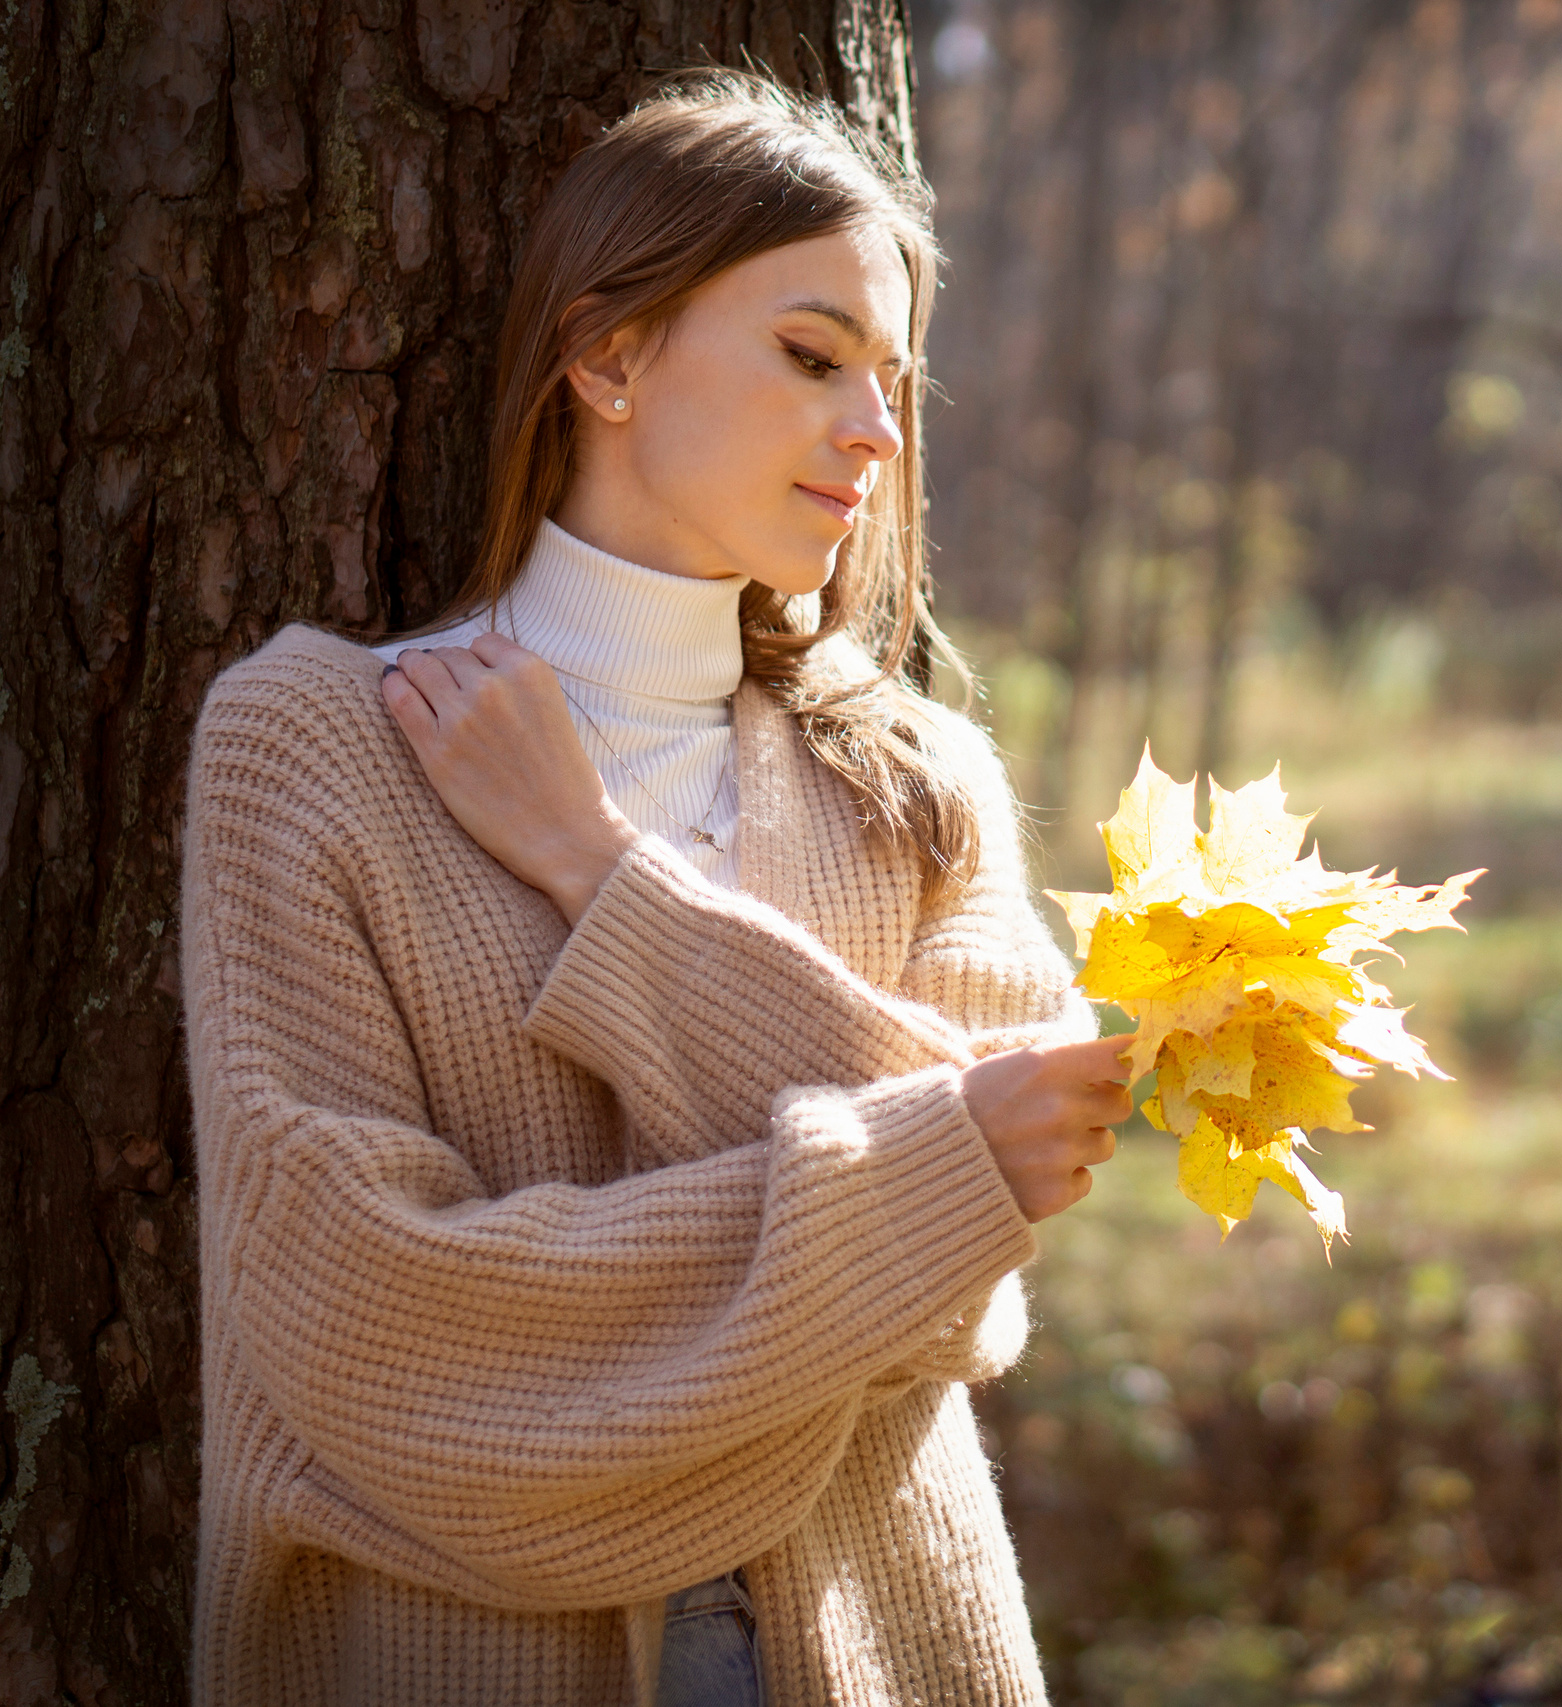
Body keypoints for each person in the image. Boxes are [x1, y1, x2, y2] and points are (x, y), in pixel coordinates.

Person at [179, 69, 1127, 1707]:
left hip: (881, 1637)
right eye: (812, 354)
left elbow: (987, 1240)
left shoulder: (918, 785)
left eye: (892, 379)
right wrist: (898, 1203)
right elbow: (364, 1316)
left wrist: (603, 874)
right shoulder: (311, 745)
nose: (878, 432)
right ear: (609, 356)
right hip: (449, 1653)